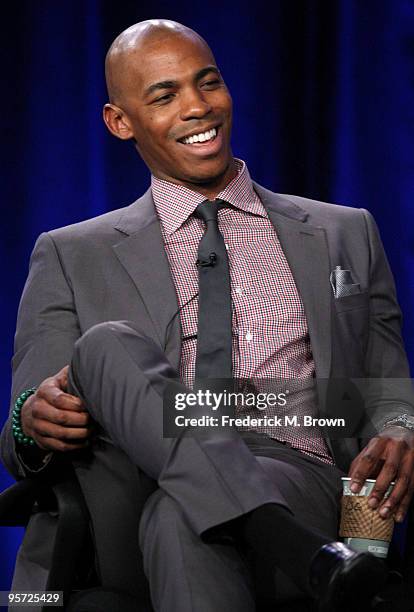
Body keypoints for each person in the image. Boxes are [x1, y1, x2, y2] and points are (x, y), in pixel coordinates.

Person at [2, 18, 414, 612]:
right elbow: (20, 440)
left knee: (184, 518)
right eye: (165, 95)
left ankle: (270, 525)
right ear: (120, 122)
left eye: (208, 83)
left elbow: (385, 381)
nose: (197, 107)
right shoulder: (69, 253)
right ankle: (288, 543)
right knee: (104, 346)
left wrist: (401, 426)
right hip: (131, 493)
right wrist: (32, 419)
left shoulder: (343, 232)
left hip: (297, 475)